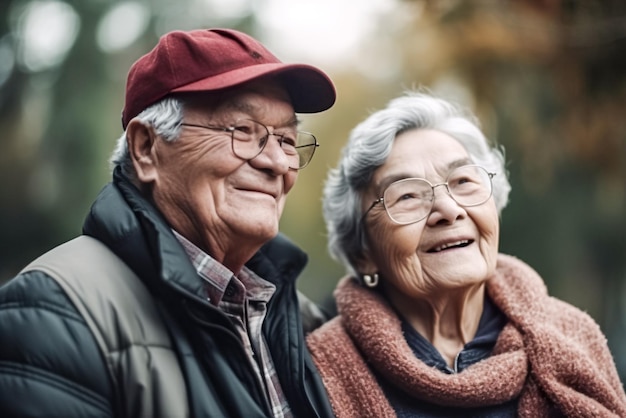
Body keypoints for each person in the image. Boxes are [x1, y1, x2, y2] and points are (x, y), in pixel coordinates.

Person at [0, 28, 337, 417]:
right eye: (243, 131)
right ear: (146, 148)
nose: (277, 163)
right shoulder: (54, 313)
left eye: (287, 141)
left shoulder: (295, 316)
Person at [306, 90, 626, 417]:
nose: (448, 209)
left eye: (462, 181)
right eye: (406, 196)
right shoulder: (316, 370)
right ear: (363, 253)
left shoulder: (573, 337)